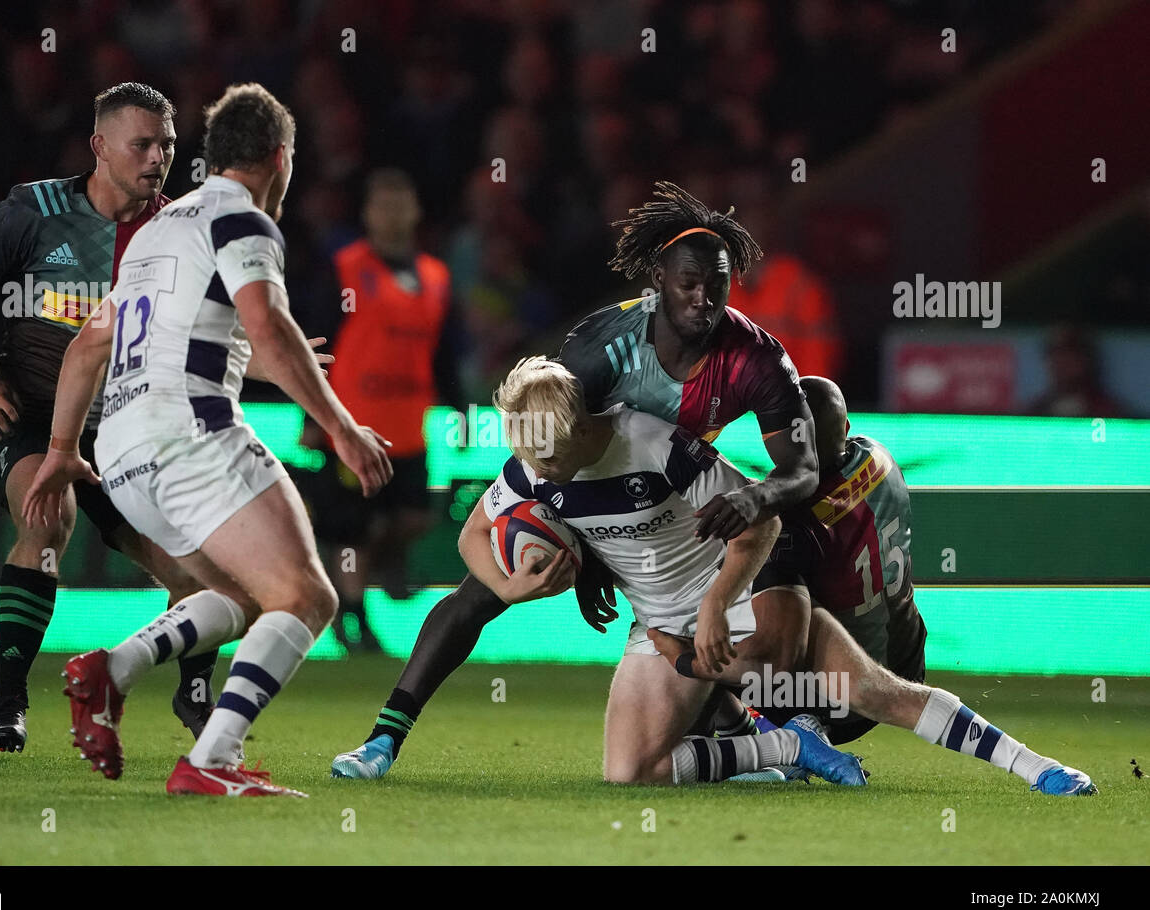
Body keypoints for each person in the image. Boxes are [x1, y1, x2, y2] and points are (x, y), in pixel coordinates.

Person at [333, 182, 822, 779]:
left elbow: (803, 471)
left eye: (716, 284)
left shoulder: (756, 359)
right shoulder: (599, 350)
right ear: (657, 280)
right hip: (593, 483)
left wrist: (754, 497)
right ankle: (384, 740)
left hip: (680, 499)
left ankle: (773, 725)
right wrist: (590, 558)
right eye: (688, 283)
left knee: (712, 639)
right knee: (478, 595)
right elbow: (554, 442)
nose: (703, 298)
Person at [20, 83, 392, 796]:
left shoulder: (156, 231)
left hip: (124, 454)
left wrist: (65, 449)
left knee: (241, 596)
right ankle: (212, 760)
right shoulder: (242, 219)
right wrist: (341, 429)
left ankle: (111, 671)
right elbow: (270, 331)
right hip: (190, 434)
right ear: (281, 159)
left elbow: (87, 348)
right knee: (309, 598)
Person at [0, 82, 215, 754]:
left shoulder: (177, 230)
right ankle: (8, 704)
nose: (158, 158)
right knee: (47, 518)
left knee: (197, 565)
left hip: (124, 429)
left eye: (168, 145)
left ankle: (196, 697)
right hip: (29, 414)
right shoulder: (36, 209)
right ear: (99, 147)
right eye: (143, 144)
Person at [649, 377, 1096, 796]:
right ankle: (1039, 768)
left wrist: (684, 658)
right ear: (844, 427)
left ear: (775, 438)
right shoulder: (877, 457)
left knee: (692, 638)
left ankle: (785, 741)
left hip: (832, 695)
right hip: (906, 654)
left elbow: (773, 657)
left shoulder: (785, 531)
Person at [459, 358, 864, 786]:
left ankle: (774, 727)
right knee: (627, 773)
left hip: (726, 601)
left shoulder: (654, 444)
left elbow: (763, 523)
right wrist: (508, 589)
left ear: (581, 428)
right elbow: (473, 534)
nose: (538, 471)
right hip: (658, 625)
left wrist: (716, 604)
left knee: (862, 690)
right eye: (528, 458)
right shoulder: (536, 460)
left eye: (548, 460)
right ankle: (788, 746)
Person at [299, 168, 463, 651]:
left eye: (400, 203)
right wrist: (313, 415)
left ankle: (383, 567)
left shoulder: (436, 276)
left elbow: (444, 351)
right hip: (352, 424)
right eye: (382, 204)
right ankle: (353, 619)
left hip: (409, 423)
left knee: (415, 516)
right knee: (355, 525)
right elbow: (317, 342)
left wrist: (458, 407)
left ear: (416, 212)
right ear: (367, 214)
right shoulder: (345, 268)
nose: (392, 214)